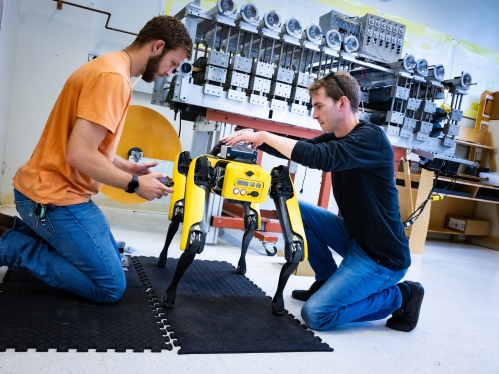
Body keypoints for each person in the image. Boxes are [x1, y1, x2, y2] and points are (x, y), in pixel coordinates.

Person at [0, 16, 192, 303]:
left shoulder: (109, 66)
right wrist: (135, 183)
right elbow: (78, 154)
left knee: (115, 253)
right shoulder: (113, 80)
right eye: (173, 64)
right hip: (53, 199)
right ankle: (9, 246)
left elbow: (84, 142)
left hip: (48, 189)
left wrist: (126, 165)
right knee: (110, 286)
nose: (169, 73)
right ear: (158, 46)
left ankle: (12, 227)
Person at [220, 70, 424, 332]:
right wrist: (255, 138)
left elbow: (320, 157)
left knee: (317, 315)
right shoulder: (337, 137)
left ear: (342, 103)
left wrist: (265, 136)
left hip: (381, 257)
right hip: (356, 238)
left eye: (319, 106)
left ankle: (403, 296)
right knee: (296, 209)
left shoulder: (372, 138)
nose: (314, 114)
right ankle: (326, 279)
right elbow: (303, 147)